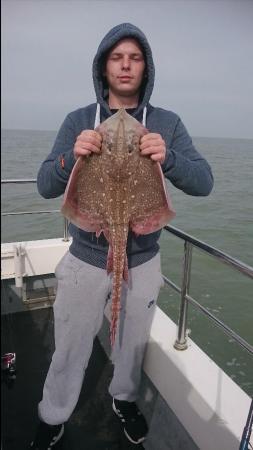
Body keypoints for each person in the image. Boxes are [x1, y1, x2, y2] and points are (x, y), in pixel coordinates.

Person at [30, 22, 214, 449]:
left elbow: (203, 182)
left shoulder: (167, 123)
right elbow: (44, 184)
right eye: (117, 58)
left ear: (146, 67)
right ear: (104, 66)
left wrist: (168, 159)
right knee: (70, 344)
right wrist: (67, 158)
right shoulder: (78, 119)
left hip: (143, 261)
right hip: (85, 258)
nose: (126, 65)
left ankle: (124, 399)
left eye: (134, 58)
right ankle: (53, 413)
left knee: (131, 346)